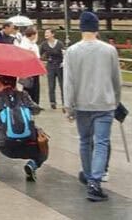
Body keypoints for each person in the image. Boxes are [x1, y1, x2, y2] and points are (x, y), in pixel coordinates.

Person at [64, 11, 121, 202]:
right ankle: (95, 180)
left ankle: (88, 175)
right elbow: (116, 79)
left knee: (84, 141)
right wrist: (116, 99)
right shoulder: (109, 50)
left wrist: (68, 105)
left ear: (81, 28)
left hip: (81, 103)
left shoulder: (71, 51)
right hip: (104, 102)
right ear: (97, 28)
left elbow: (68, 82)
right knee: (102, 142)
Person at [0, 75, 45, 181]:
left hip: (6, 146)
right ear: (15, 82)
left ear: (0, 82)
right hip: (29, 146)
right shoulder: (24, 95)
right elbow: (36, 110)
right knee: (42, 138)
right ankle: (33, 164)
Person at [40, 28, 65, 109]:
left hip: (59, 65)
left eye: (48, 32)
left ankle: (64, 101)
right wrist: (45, 61)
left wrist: (63, 62)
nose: (46, 34)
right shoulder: (44, 44)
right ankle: (52, 102)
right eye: (45, 33)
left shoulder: (59, 43)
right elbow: (41, 56)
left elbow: (64, 53)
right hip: (50, 66)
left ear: (53, 34)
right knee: (51, 85)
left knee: (62, 84)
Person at [18, 27, 41, 105]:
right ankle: (28, 102)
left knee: (35, 86)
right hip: (28, 68)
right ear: (32, 35)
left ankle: (35, 102)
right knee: (28, 86)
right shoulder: (24, 44)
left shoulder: (33, 43)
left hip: (35, 68)